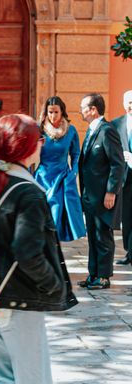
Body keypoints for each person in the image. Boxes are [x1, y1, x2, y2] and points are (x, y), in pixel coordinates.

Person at [0, 113, 77, 384]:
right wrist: (55, 284)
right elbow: (27, 252)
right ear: (28, 146)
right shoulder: (29, 193)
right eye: (38, 138)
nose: (42, 143)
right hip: (20, 306)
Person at [78, 93, 126, 290]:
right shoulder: (91, 130)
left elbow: (117, 163)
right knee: (92, 236)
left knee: (102, 236)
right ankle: (94, 274)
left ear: (93, 110)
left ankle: (104, 277)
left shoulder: (107, 131)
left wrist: (111, 192)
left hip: (103, 196)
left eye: (83, 107)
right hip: (90, 195)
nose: (80, 111)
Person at [34, 96, 85, 241]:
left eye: (56, 112)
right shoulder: (40, 130)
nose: (53, 116)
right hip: (42, 178)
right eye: (50, 112)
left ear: (62, 111)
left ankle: (53, 247)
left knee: (56, 216)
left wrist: (73, 172)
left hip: (62, 178)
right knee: (41, 217)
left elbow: (76, 154)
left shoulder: (71, 130)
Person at [111, 89, 132, 265]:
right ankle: (129, 252)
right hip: (124, 178)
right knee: (127, 217)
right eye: (129, 102)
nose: (131, 106)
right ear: (124, 104)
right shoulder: (116, 124)